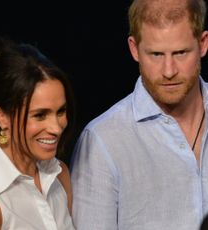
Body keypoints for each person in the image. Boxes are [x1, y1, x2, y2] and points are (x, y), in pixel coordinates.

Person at [70, 0, 208, 229]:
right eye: (155, 54)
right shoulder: (103, 141)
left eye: (181, 53)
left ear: (203, 44)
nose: (169, 71)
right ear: (134, 49)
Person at [0, 37, 76, 229]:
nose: (56, 128)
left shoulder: (60, 173)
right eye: (40, 115)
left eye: (61, 111)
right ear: (1, 117)